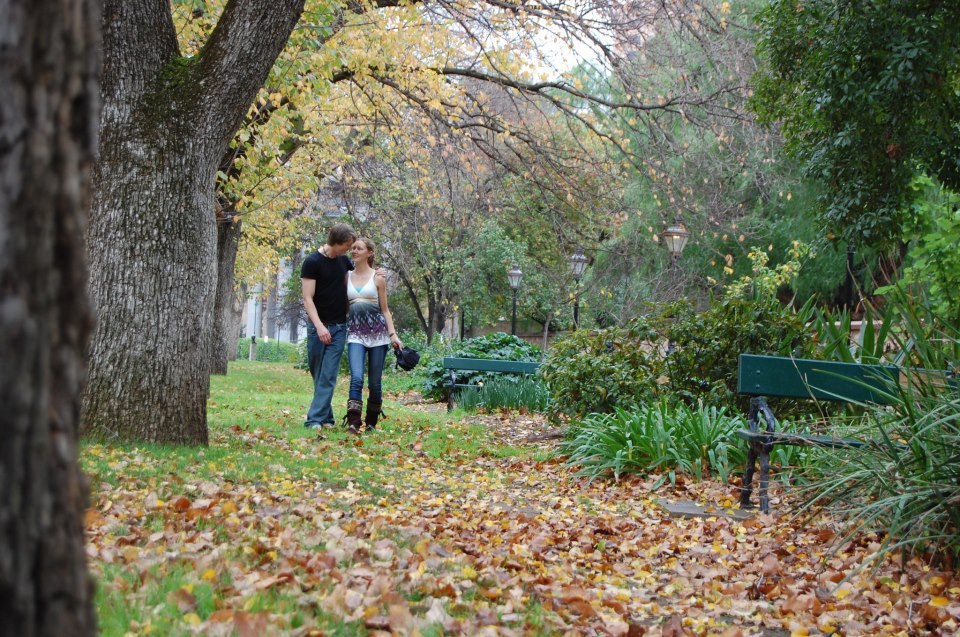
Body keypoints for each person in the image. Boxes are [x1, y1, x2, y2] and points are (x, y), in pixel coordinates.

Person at [301, 223, 357, 430]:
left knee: (329, 374)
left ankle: (314, 419)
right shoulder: (312, 262)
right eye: (348, 246)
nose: (349, 250)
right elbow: (308, 299)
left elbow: (357, 279)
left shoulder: (343, 262)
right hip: (318, 327)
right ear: (337, 242)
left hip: (339, 327)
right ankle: (327, 417)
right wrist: (319, 327)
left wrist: (377, 273)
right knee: (319, 374)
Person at [344, 237, 402, 433]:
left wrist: (393, 335)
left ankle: (371, 421)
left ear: (369, 253)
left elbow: (385, 310)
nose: (354, 251)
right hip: (355, 335)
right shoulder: (347, 276)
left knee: (374, 382)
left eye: (359, 248)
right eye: (353, 248)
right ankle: (353, 422)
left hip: (378, 336)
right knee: (357, 378)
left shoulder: (378, 277)